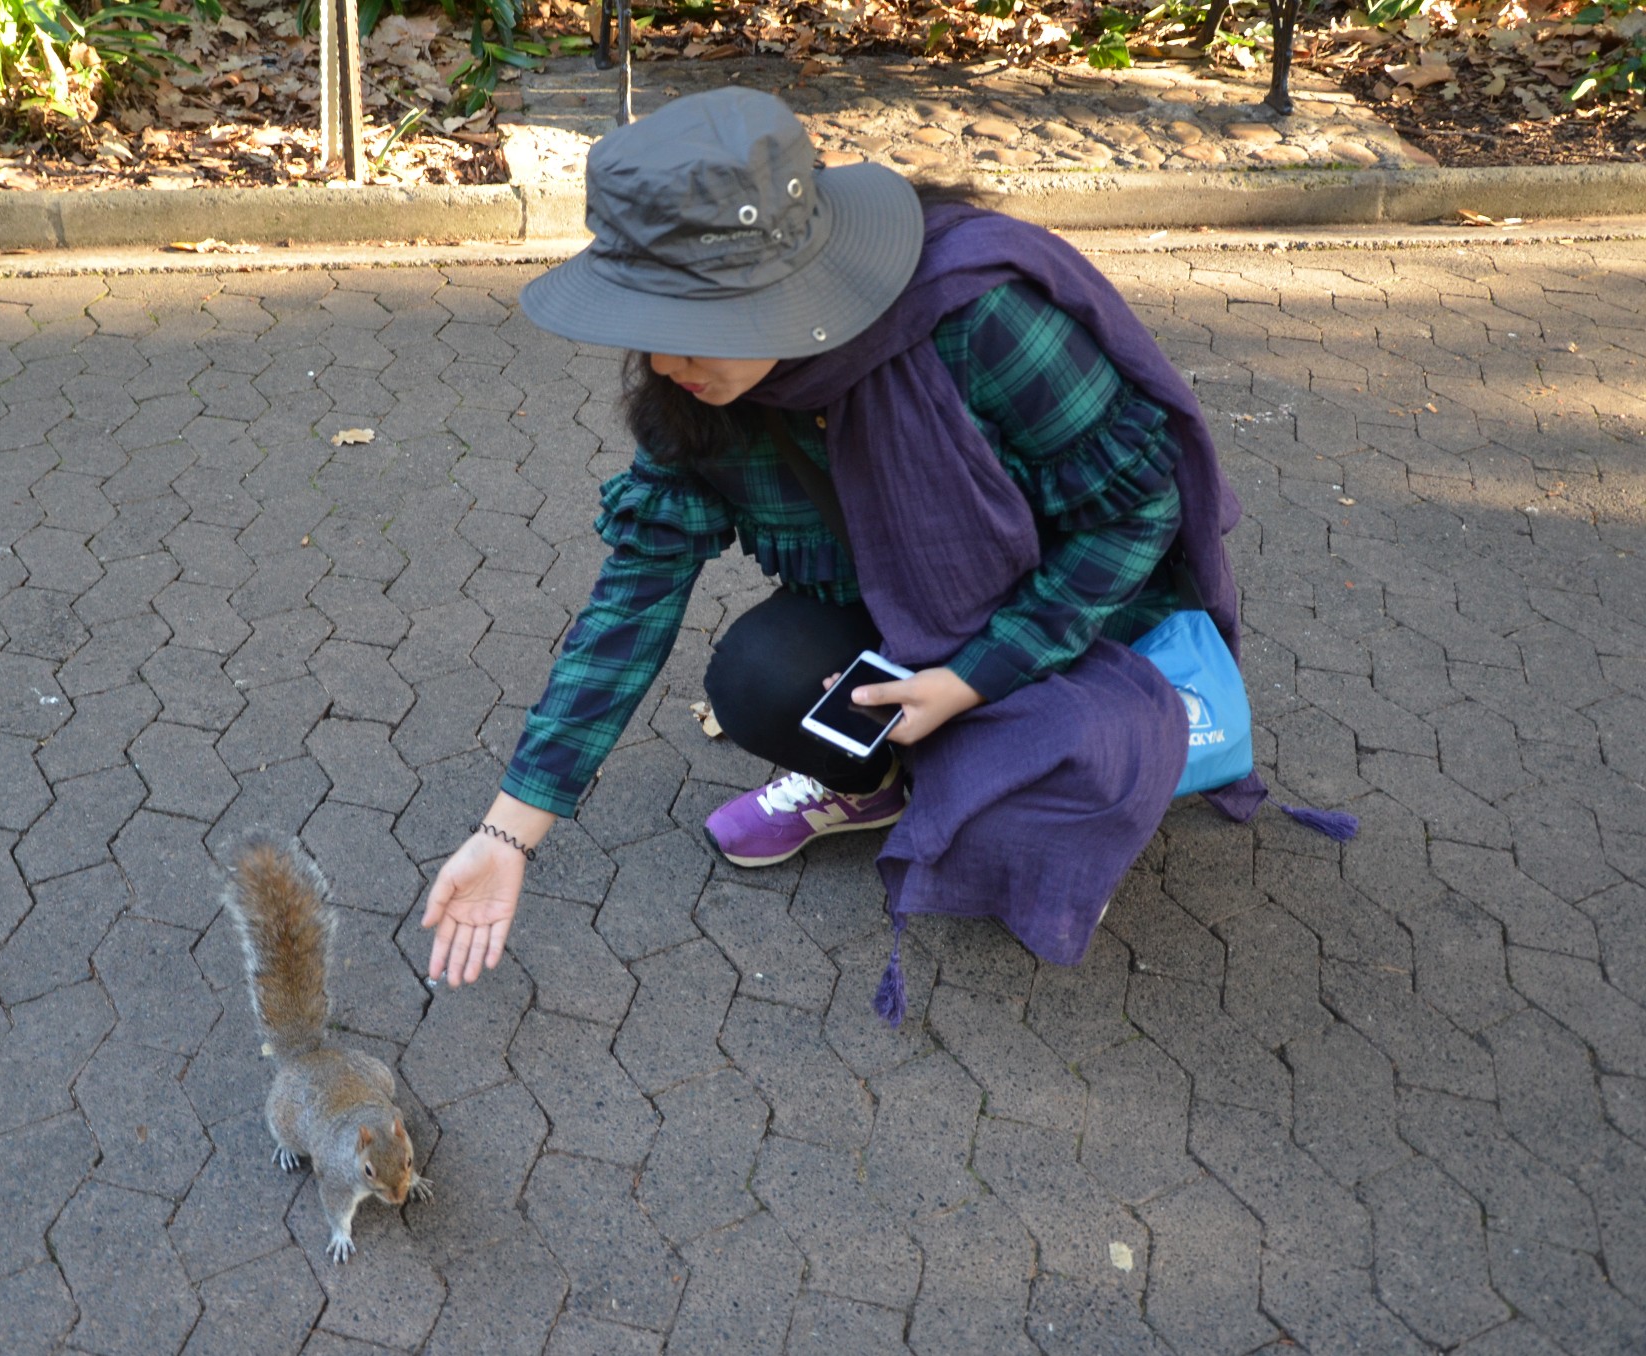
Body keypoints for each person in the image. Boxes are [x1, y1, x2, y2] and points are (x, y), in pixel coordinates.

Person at [420, 87, 1265, 1008]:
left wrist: (977, 675)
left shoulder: (978, 319)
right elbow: (634, 593)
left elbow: (1132, 515)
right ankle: (883, 783)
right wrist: (509, 834)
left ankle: (1045, 773)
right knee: (758, 678)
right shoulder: (696, 393)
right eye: (644, 326)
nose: (663, 366)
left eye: (687, 328)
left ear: (784, 297)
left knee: (1059, 789)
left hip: (1066, 610)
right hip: (903, 599)